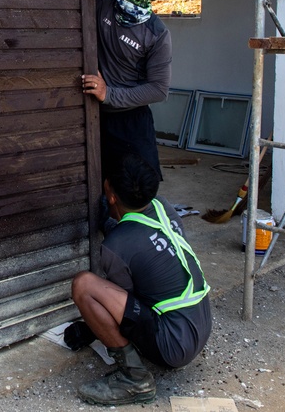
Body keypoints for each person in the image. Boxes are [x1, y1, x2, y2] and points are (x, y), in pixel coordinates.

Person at [69, 152, 212, 405]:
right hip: (199, 326)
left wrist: (94, 328)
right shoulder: (163, 206)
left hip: (174, 345)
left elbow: (123, 308)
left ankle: (135, 379)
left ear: (111, 196)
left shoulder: (117, 245)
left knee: (84, 285)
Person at [81, 0, 176, 182]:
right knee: (97, 190)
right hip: (94, 117)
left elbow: (158, 89)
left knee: (137, 190)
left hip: (130, 123)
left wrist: (108, 93)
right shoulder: (102, 3)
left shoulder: (156, 34)